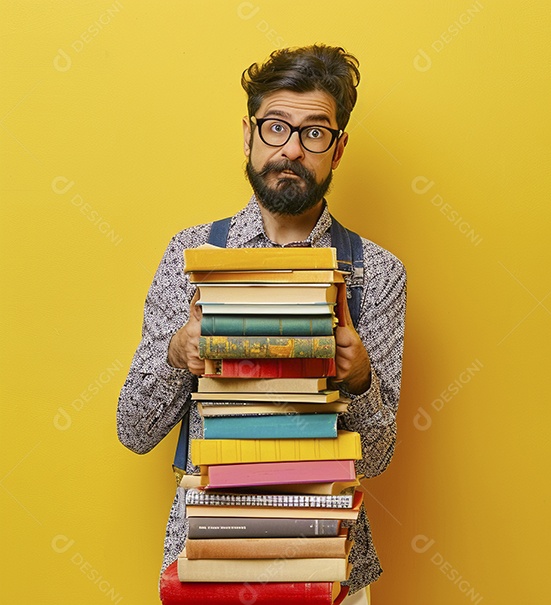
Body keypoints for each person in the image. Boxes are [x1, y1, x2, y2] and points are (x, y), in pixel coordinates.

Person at [115, 44, 406, 604]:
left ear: (338, 149)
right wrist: (178, 354)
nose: (291, 150)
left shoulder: (376, 273)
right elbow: (134, 431)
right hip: (205, 556)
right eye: (276, 127)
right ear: (248, 134)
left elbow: (376, 457)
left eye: (314, 133)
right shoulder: (190, 255)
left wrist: (361, 379)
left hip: (331, 565)